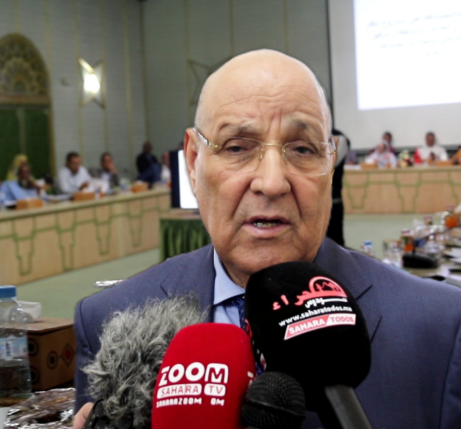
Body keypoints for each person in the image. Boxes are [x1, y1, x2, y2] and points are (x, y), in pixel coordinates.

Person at [73, 50, 461, 429]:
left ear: (330, 164)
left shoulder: (441, 327)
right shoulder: (106, 320)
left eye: (303, 149)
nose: (272, 183)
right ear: (193, 162)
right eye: (237, 147)